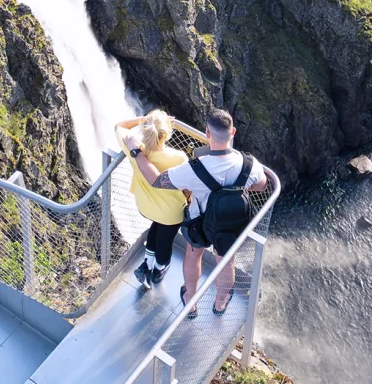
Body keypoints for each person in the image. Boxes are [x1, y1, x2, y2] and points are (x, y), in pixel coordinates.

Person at [124, 108, 268, 316]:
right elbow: (261, 185)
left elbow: (157, 180)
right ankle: (220, 303)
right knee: (225, 260)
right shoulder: (249, 164)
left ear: (207, 134)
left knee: (194, 255)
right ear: (233, 132)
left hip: (200, 222)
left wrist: (136, 151)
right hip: (231, 223)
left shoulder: (194, 168)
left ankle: (190, 301)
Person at [114, 110, 188, 288]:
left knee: (156, 223)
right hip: (171, 212)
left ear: (145, 129)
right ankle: (159, 269)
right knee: (166, 239)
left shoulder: (133, 147)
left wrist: (145, 120)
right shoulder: (179, 158)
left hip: (145, 206)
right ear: (167, 133)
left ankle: (147, 261)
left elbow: (119, 126)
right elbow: (187, 188)